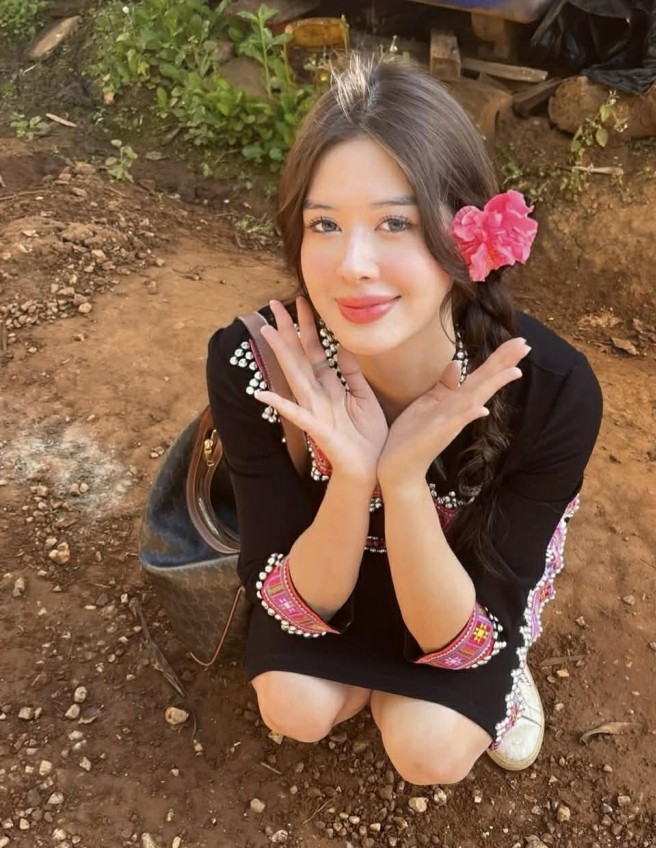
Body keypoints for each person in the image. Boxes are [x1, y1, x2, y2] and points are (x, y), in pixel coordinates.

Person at [206, 54, 602, 786]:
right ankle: (379, 678)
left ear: (468, 234)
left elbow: (469, 623)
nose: (353, 264)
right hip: (328, 571)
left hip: (457, 592)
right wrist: (354, 475)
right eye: (325, 223)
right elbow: (285, 590)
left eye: (396, 222)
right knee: (293, 705)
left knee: (429, 749)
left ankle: (478, 670)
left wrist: (406, 480)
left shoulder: (552, 390)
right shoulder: (254, 363)